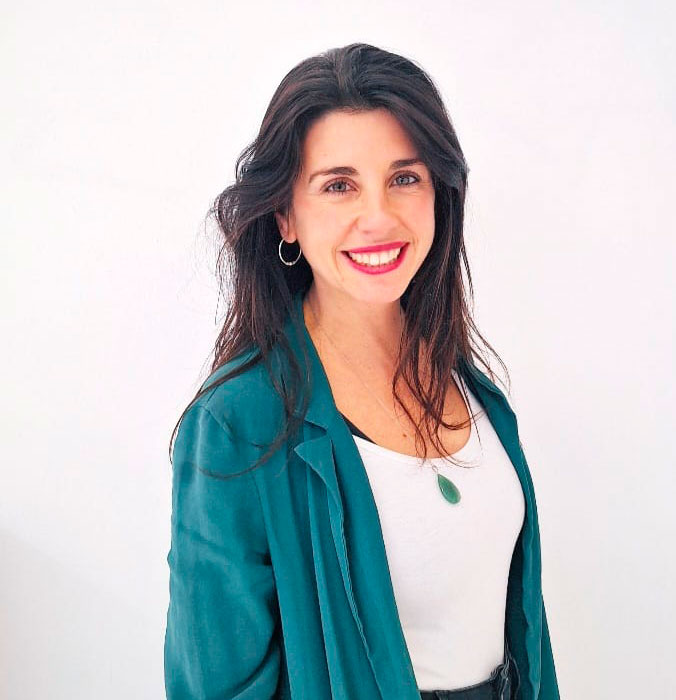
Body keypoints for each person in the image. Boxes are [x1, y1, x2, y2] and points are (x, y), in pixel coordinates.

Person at [164, 43, 560, 700]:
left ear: (439, 195)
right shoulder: (237, 423)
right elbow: (217, 685)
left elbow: (522, 632)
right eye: (338, 185)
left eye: (404, 178)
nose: (378, 217)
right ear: (285, 215)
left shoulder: (472, 385)